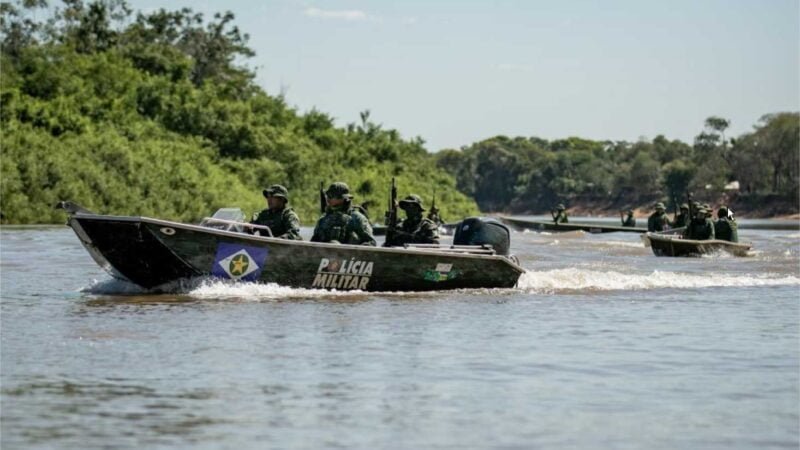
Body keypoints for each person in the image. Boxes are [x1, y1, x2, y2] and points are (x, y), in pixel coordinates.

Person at [311, 182, 376, 246]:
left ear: (343, 198)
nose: (328, 199)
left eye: (332, 196)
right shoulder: (323, 220)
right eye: (327, 196)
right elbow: (312, 245)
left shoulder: (357, 218)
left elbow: (371, 243)